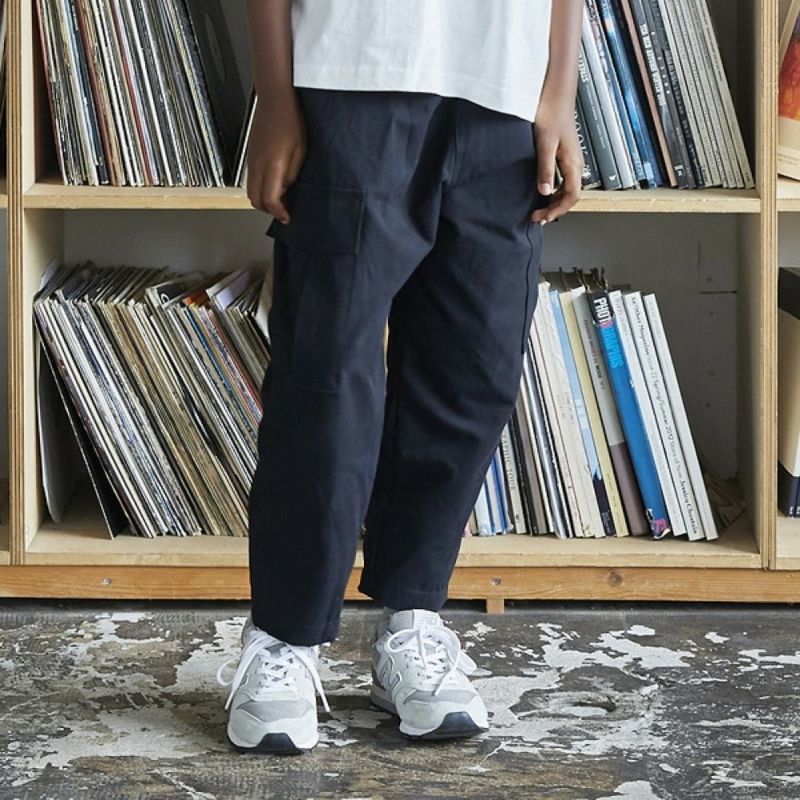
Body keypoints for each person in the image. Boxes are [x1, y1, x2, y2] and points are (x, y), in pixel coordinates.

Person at [217, 0, 584, 753]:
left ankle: (412, 620)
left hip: (503, 95)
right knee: (325, 378)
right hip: (350, 79)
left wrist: (557, 92)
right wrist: (277, 98)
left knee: (471, 371)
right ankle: (284, 637)